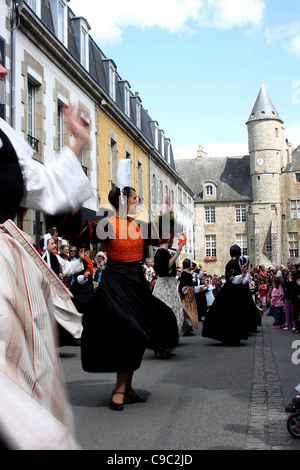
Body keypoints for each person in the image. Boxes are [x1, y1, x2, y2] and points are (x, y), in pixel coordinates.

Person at [0, 51, 92, 449]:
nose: (4, 69)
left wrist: (77, 142)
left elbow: (45, 187)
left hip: (9, 273)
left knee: (26, 378)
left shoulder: (4, 134)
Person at [80, 163, 178, 411]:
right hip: (115, 284)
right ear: (124, 200)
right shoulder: (108, 224)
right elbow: (86, 233)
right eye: (135, 197)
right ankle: (119, 389)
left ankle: (128, 387)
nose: (138, 200)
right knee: (128, 330)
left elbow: (162, 235)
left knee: (139, 333)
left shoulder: (137, 225)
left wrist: (168, 213)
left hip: (136, 283)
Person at [202, 245, 258, 345]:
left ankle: (232, 335)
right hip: (233, 291)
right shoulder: (233, 264)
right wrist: (243, 275)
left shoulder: (231, 263)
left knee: (228, 314)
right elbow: (234, 279)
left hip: (230, 290)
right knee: (233, 314)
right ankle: (232, 336)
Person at [152, 238, 185, 339]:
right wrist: (177, 254)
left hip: (167, 285)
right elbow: (165, 268)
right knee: (169, 312)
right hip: (165, 286)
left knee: (172, 312)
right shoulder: (161, 253)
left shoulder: (162, 252)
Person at [178, 258, 199, 331]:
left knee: (189, 309)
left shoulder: (186, 274)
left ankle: (189, 326)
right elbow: (182, 284)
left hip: (189, 293)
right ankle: (187, 325)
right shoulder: (184, 274)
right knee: (188, 310)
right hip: (187, 294)